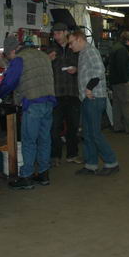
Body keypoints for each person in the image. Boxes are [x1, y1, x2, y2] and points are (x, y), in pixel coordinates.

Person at [0, 35, 56, 189]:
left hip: (33, 104)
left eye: (9, 56)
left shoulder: (19, 59)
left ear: (13, 50)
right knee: (44, 139)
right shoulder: (42, 55)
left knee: (29, 141)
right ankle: (44, 174)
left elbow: (9, 82)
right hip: (49, 102)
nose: (10, 59)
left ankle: (26, 177)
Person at [69, 30, 119, 176]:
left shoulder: (90, 51)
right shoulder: (83, 53)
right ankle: (91, 165)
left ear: (79, 39)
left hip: (94, 98)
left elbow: (99, 70)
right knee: (87, 133)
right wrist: (77, 70)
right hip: (87, 99)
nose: (70, 46)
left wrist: (89, 87)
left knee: (95, 133)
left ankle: (112, 162)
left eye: (71, 43)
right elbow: (90, 71)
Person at [48, 22, 81, 166]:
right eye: (54, 34)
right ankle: (55, 156)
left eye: (58, 33)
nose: (56, 36)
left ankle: (72, 154)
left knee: (73, 126)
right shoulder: (50, 50)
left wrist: (76, 69)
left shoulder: (74, 48)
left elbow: (83, 65)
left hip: (73, 92)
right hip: (56, 94)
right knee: (54, 127)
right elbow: (44, 70)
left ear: (65, 32)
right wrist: (48, 60)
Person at [107, 31, 129, 133]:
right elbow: (121, 67)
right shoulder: (122, 50)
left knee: (117, 105)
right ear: (127, 41)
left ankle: (117, 126)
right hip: (122, 82)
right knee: (126, 103)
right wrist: (126, 80)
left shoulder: (116, 47)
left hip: (115, 81)